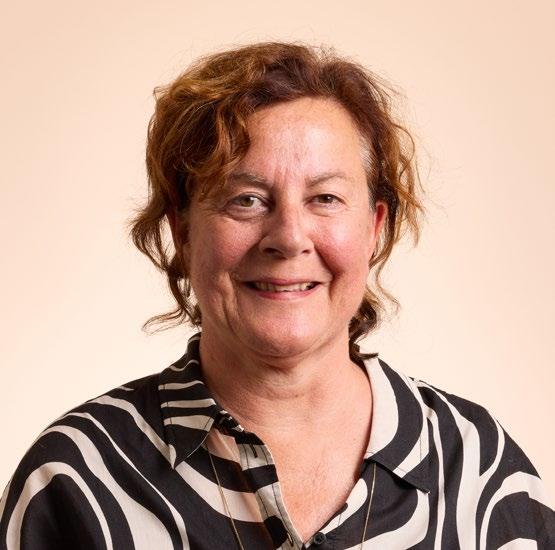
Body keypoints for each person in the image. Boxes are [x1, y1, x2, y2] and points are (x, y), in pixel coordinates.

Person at [0, 41, 553, 550]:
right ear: (183, 230)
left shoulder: (479, 471)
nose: (289, 238)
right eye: (246, 199)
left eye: (325, 198)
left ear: (374, 227)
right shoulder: (74, 479)